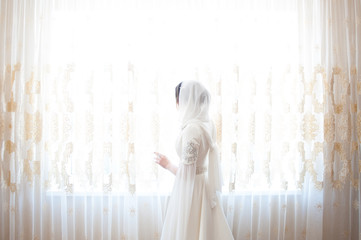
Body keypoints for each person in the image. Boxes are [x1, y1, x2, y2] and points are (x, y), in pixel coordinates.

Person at [154, 80, 234, 240]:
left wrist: (168, 164)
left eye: (179, 99)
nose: (177, 104)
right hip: (203, 185)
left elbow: (187, 173)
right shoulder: (208, 124)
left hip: (192, 190)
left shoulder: (192, 129)